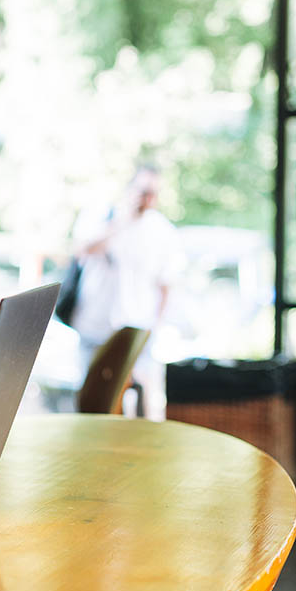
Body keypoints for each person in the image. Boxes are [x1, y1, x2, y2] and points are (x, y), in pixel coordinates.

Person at [67, 164, 184, 421]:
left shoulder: (162, 231)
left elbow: (166, 285)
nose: (147, 199)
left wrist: (155, 327)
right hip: (94, 329)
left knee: (137, 410)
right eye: (143, 191)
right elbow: (83, 248)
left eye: (153, 193)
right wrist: (121, 222)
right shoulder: (102, 216)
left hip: (136, 332)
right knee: (90, 407)